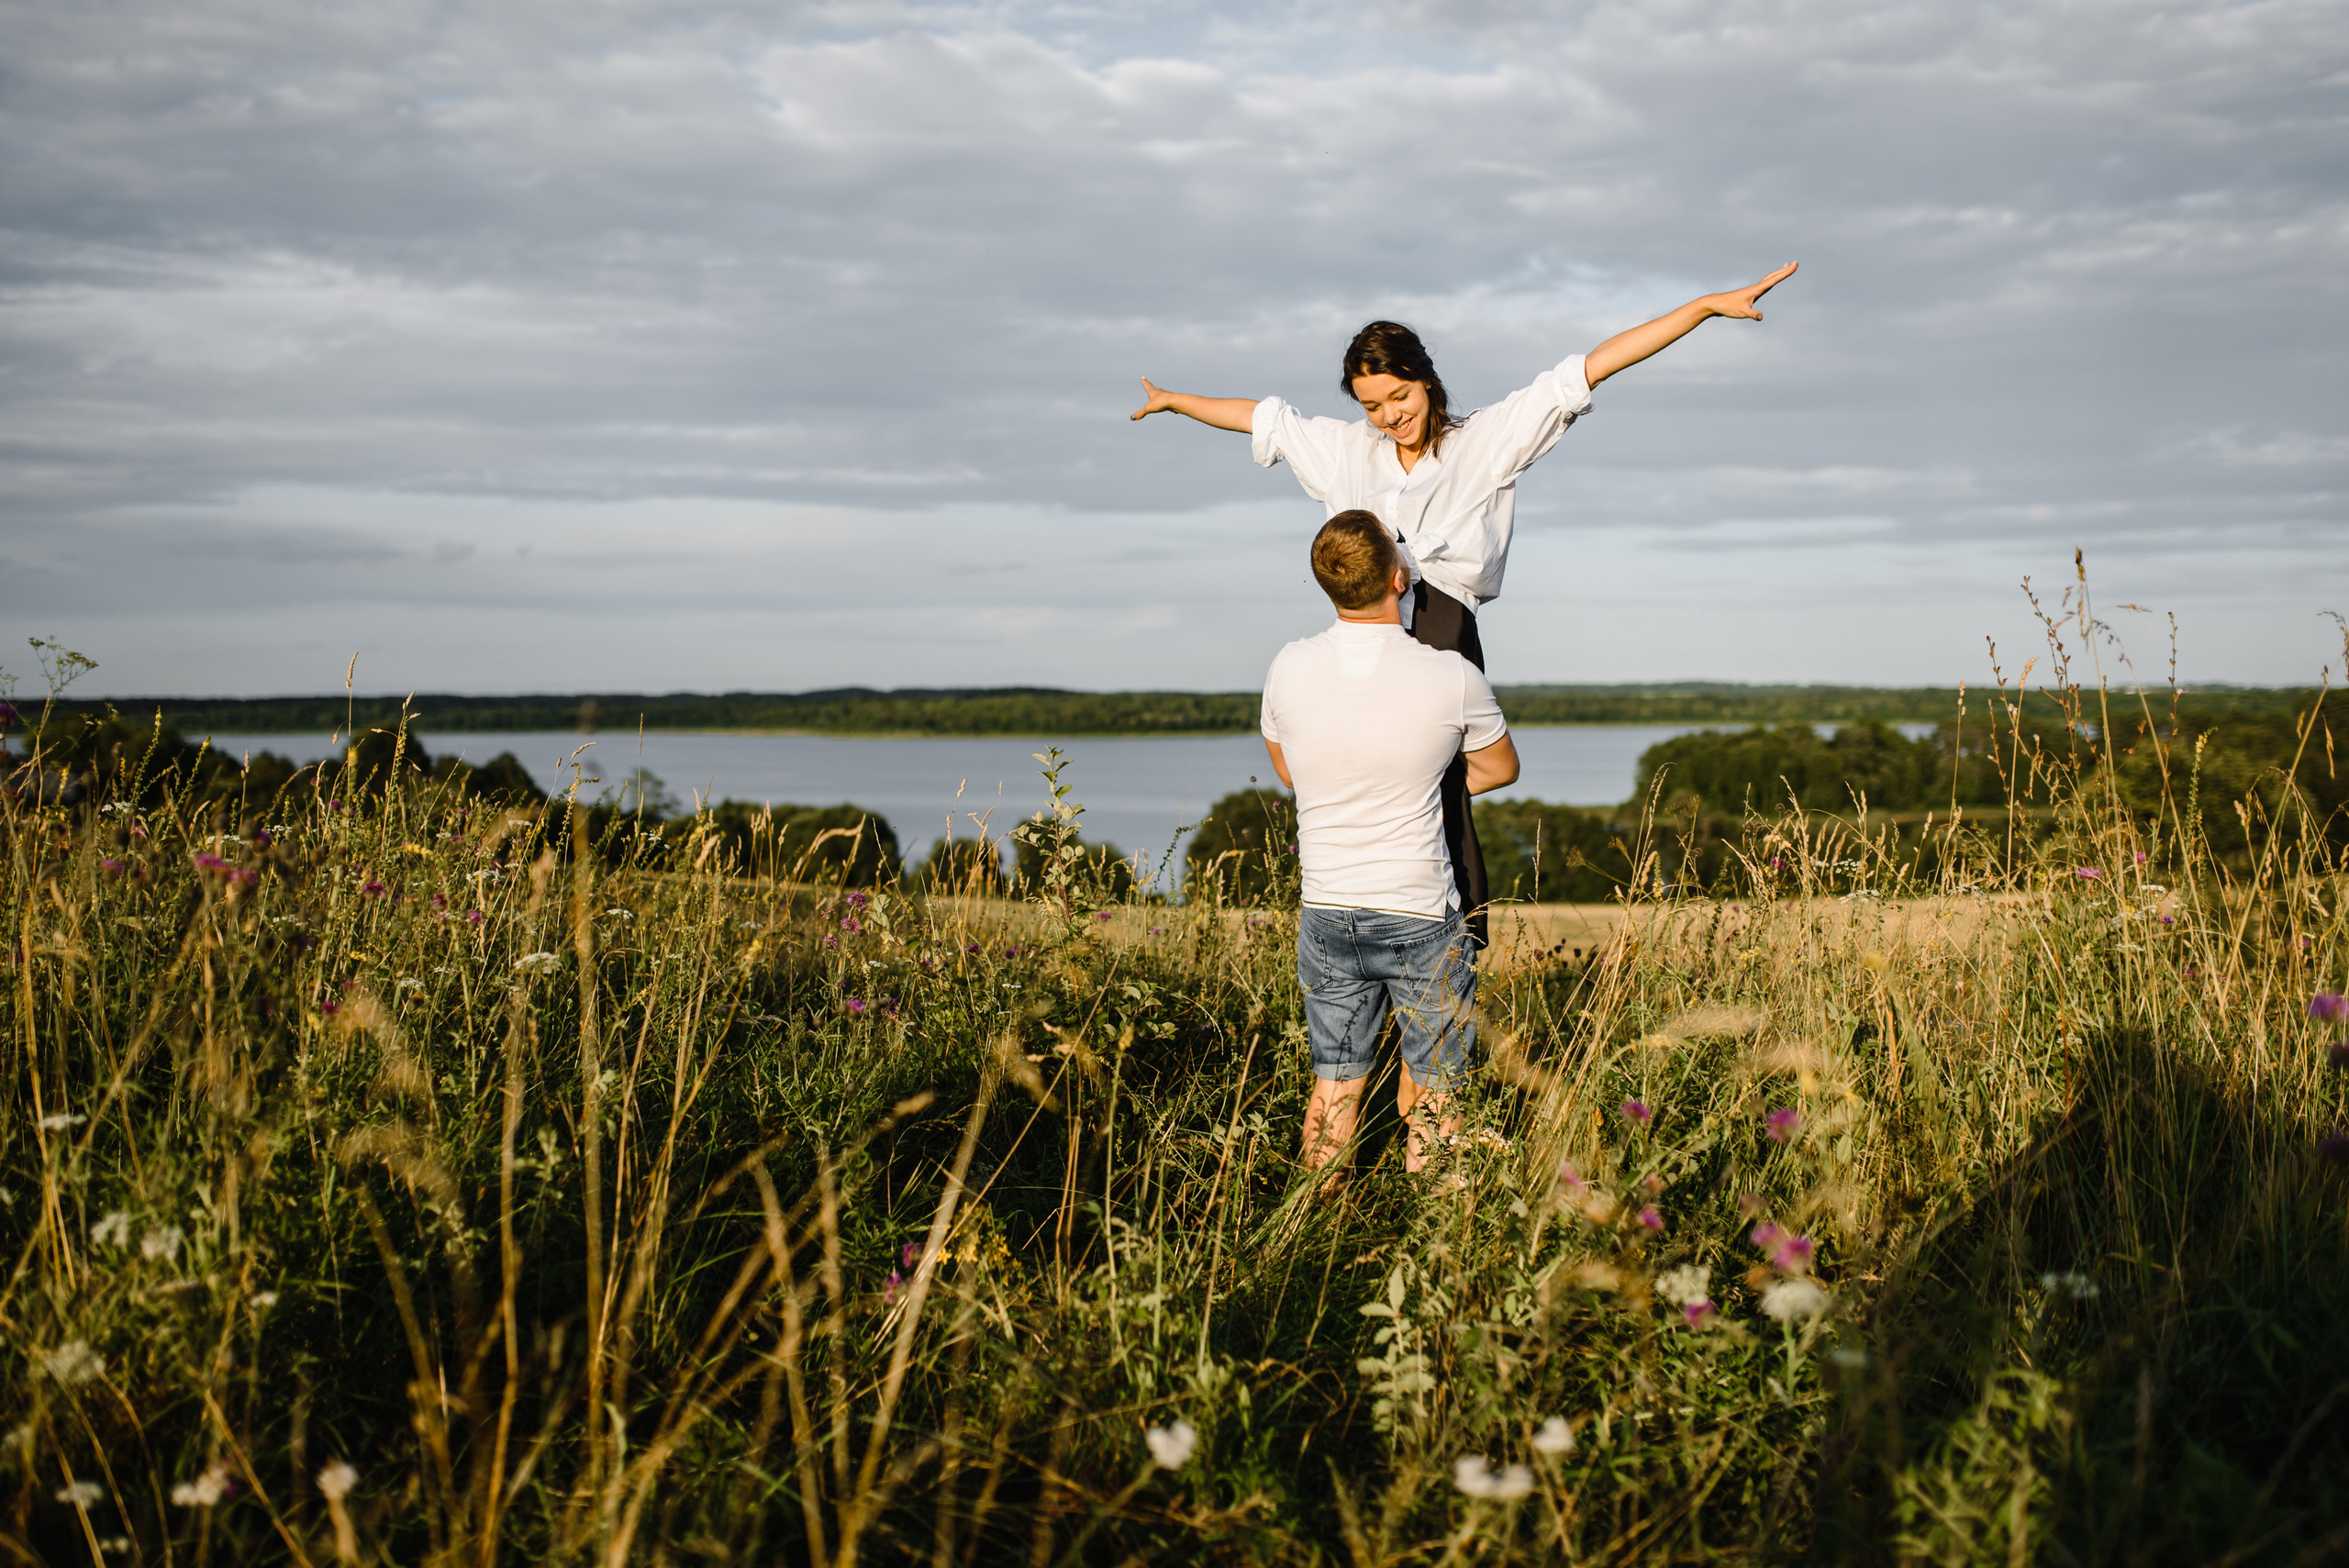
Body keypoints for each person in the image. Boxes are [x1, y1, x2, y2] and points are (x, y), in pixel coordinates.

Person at [1132, 263, 1798, 942]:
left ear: (1426, 379)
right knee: (1361, 771)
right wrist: (1173, 400)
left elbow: (1592, 368)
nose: (1390, 416)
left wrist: (1705, 308)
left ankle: (1455, 941)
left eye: (1398, 396)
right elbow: (1262, 419)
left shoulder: (1485, 441)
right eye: (1372, 405)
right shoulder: (1345, 452)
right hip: (1365, 630)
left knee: (1444, 800)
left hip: (1445, 627)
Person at [1261, 511, 1521, 1175]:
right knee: (1439, 1093)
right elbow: (1498, 768)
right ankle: (1435, 1238)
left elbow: (1290, 770)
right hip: (1418, 915)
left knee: (1336, 1085)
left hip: (1326, 910)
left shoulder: (1288, 666)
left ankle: (1307, 1231)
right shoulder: (1450, 675)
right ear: (1399, 579)